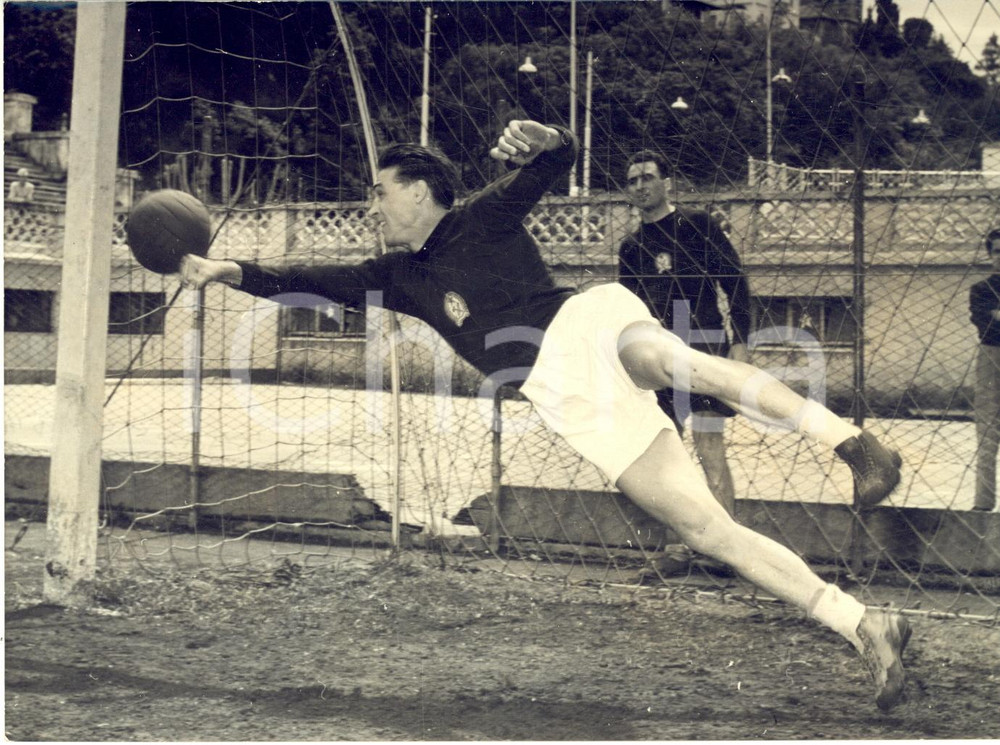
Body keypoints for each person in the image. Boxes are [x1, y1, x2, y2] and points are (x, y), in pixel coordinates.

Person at [180, 120, 909, 711]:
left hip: (584, 326)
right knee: (704, 527)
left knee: (681, 363)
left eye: (380, 191)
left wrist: (545, 134)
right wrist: (229, 271)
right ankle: (863, 623)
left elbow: (557, 157)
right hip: (565, 398)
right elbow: (311, 279)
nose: (372, 205)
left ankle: (853, 444)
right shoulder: (399, 276)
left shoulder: (481, 219)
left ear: (422, 191)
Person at [619, 149, 748, 576]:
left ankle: (725, 551)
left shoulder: (697, 226)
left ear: (666, 182)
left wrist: (741, 343)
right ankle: (678, 550)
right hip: (659, 360)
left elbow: (735, 283)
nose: (640, 185)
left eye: (648, 177)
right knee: (667, 454)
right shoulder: (632, 246)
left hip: (704, 349)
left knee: (710, 447)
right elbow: (628, 309)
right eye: (633, 179)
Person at [969, 227, 1000, 512]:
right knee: (987, 434)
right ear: (990, 256)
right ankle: (983, 503)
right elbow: (986, 324)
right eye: (997, 252)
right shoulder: (981, 290)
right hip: (991, 359)